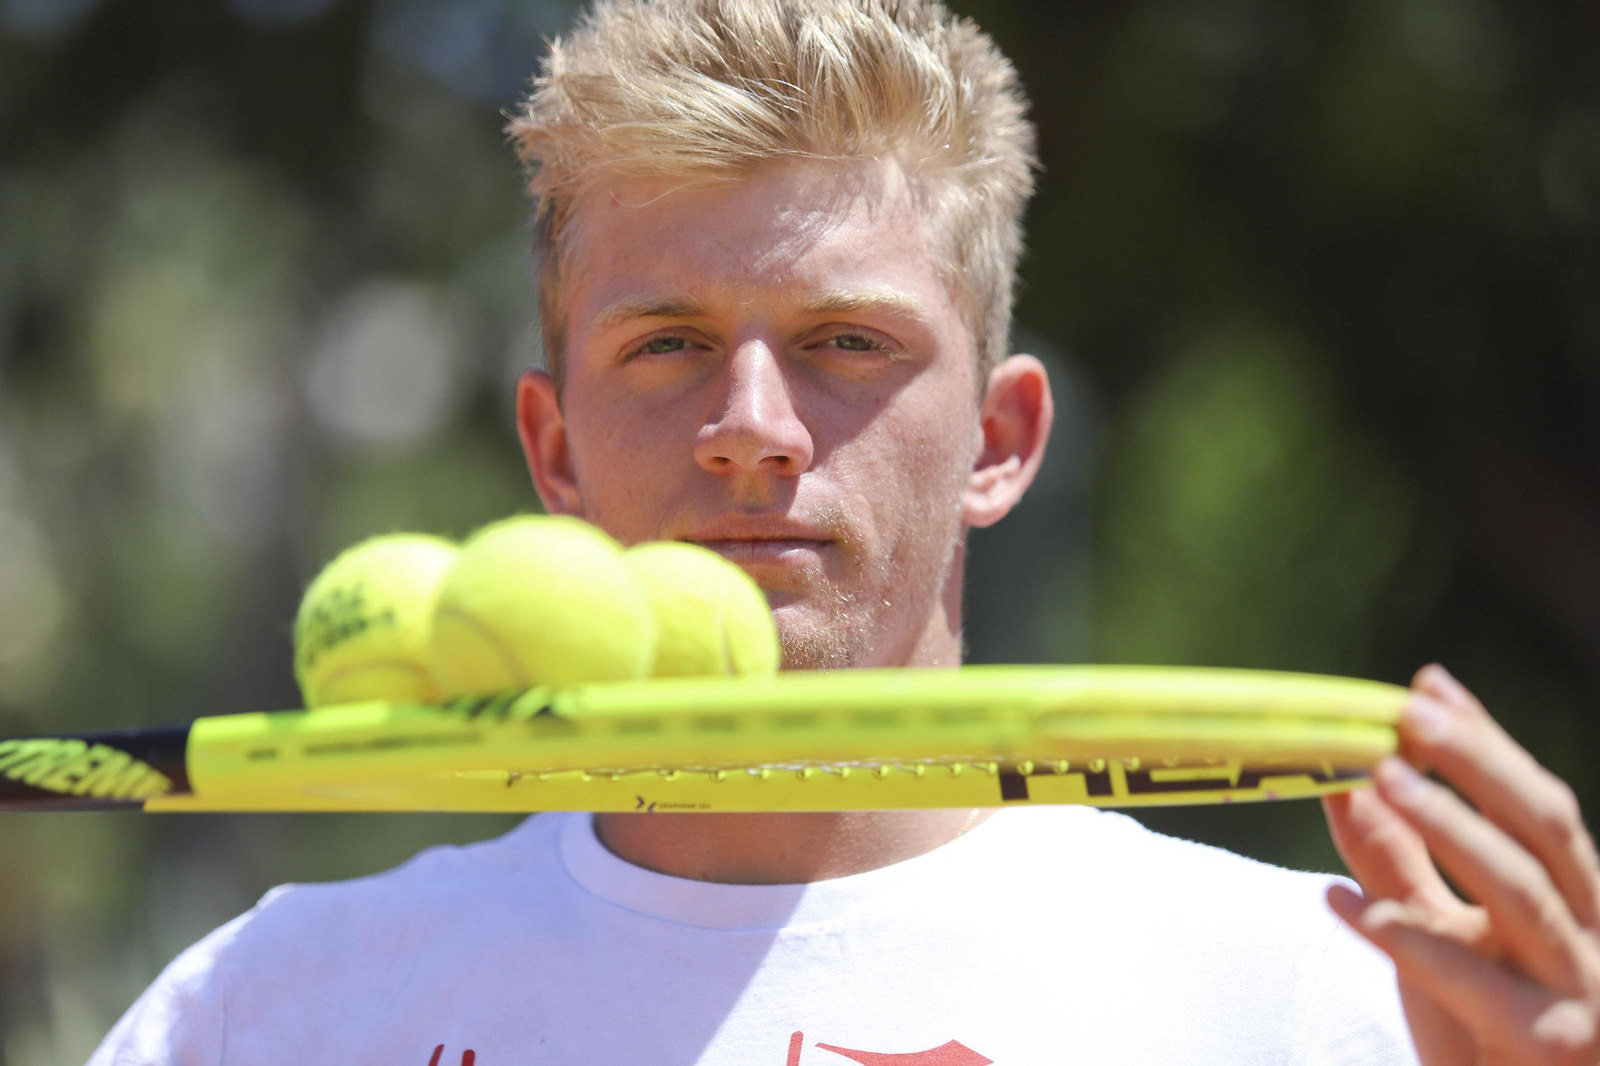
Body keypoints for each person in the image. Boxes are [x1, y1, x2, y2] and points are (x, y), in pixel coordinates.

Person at [90, 1, 1600, 1063]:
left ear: (1000, 441)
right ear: (551, 448)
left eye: (847, 342)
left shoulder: (1346, 1006)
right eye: (668, 344)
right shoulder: (263, 1011)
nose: (752, 421)